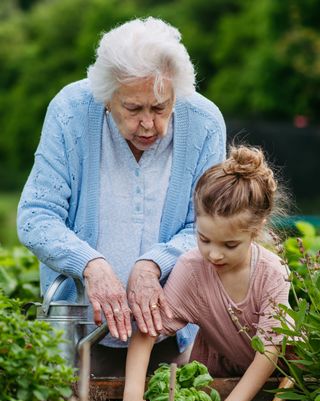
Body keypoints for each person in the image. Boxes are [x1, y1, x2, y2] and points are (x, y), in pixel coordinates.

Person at [16, 17, 226, 374]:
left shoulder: (204, 123)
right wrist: (90, 264)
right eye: (133, 109)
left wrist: (154, 263)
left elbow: (210, 228)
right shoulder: (71, 111)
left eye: (161, 108)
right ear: (107, 97)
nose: (148, 124)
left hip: (169, 332)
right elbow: (37, 215)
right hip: (79, 330)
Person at [117, 145, 290, 401]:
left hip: (279, 380)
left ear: (257, 228)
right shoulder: (191, 269)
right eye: (204, 239)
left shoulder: (272, 272)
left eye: (230, 245)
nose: (214, 254)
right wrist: (132, 396)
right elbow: (147, 331)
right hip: (221, 371)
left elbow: (271, 351)